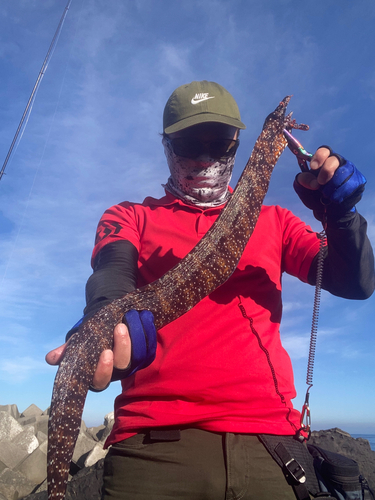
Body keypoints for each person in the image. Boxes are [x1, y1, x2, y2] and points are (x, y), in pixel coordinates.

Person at [46, 80, 374, 500]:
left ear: (236, 143)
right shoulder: (130, 216)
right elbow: (111, 273)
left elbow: (356, 281)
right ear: (166, 145)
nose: (204, 156)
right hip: (154, 448)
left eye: (218, 143)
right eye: (188, 142)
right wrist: (106, 319)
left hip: (271, 445)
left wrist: (341, 216)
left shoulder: (276, 221)